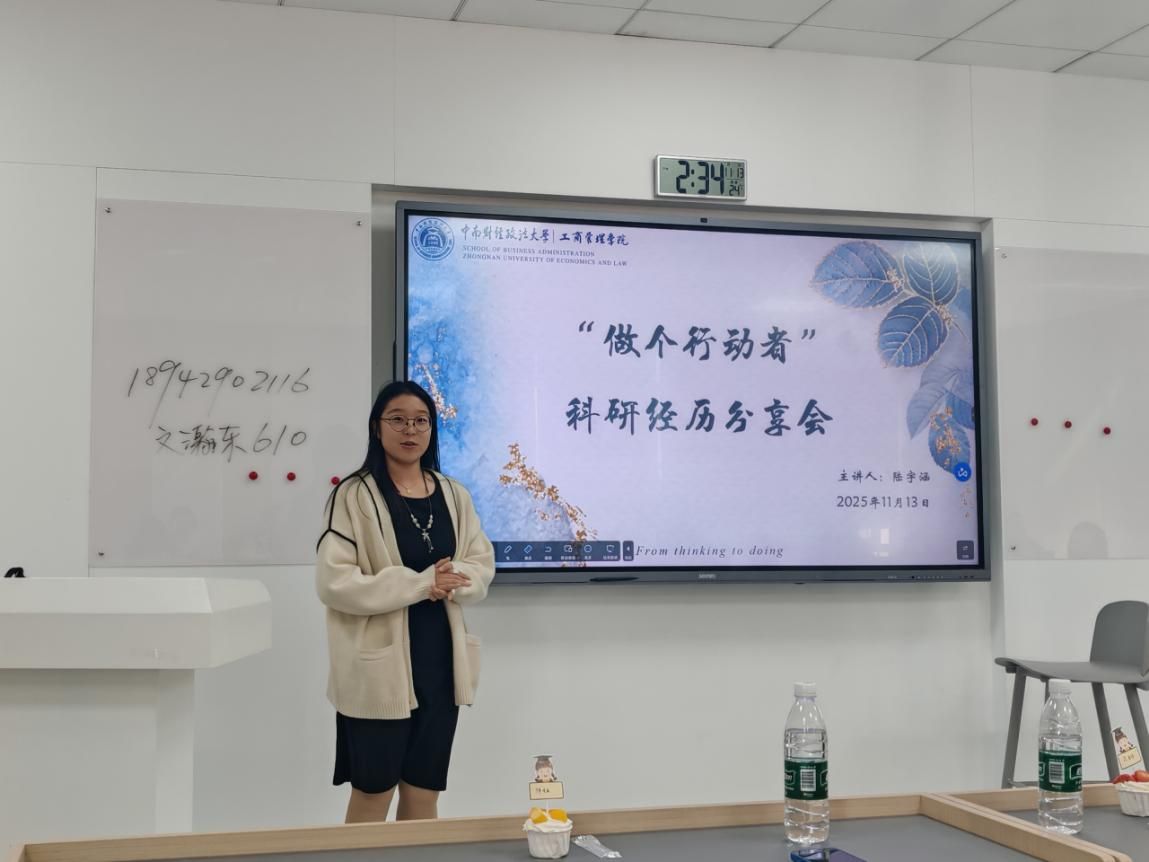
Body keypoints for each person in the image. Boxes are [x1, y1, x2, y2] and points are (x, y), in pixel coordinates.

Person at [316, 381, 495, 823]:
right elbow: (335, 583)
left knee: (423, 792)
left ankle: (420, 854)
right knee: (373, 792)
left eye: (421, 421)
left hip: (440, 663)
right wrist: (419, 584)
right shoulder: (354, 495)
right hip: (379, 671)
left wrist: (453, 582)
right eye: (397, 419)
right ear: (377, 428)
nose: (410, 430)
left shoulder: (454, 494)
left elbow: (480, 563)